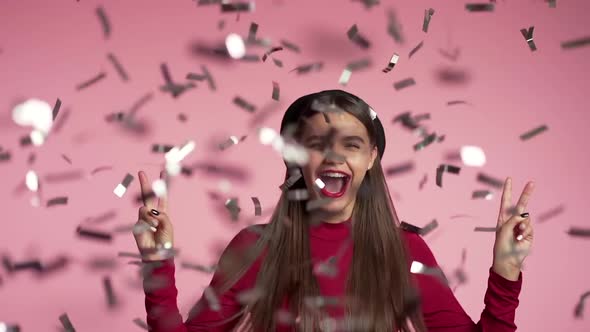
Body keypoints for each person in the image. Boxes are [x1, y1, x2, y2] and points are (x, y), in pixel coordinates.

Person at [134, 89, 536, 332]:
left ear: (371, 158)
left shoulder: (406, 251)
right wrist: (156, 263)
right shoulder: (255, 247)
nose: (332, 155)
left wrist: (505, 272)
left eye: (351, 144)